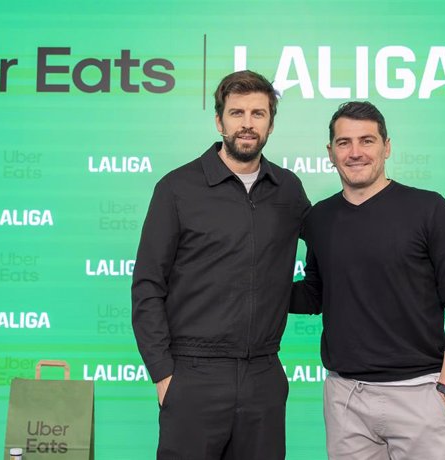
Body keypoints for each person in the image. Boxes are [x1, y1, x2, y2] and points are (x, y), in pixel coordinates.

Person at [132, 70, 310, 460]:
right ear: (219, 121)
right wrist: (164, 374)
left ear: (271, 123)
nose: (247, 124)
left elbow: (331, 252)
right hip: (193, 374)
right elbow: (148, 286)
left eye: (258, 114)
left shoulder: (289, 189)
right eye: (237, 113)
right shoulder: (177, 189)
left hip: (264, 374)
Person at [291, 101, 445, 460]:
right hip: (345, 397)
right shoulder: (319, 218)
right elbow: (314, 296)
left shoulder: (429, 209)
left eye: (367, 140)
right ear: (330, 153)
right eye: (344, 143)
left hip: (420, 394)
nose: (356, 152)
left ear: (387, 147)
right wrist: (244, 286)